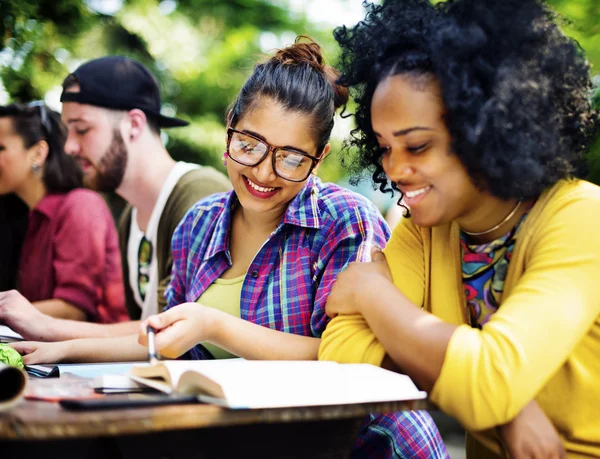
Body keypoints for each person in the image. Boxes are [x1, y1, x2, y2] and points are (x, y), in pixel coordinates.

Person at [13, 38, 449, 458]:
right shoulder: (198, 225)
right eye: (249, 145)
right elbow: (172, 339)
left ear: (319, 157)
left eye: (292, 158)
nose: (263, 172)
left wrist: (215, 325)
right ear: (229, 128)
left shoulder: (344, 221)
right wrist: (61, 348)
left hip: (368, 446)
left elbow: (349, 359)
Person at [318, 0, 600, 458]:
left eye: (418, 145)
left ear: (485, 128)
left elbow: (485, 381)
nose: (395, 169)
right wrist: (507, 400)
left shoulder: (581, 217)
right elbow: (342, 351)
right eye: (385, 148)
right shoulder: (426, 229)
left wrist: (369, 290)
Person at [0, 56, 231, 340]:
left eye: (82, 129)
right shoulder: (130, 219)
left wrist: (46, 328)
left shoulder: (199, 194)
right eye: (67, 131)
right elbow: (144, 330)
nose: (69, 146)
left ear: (134, 124)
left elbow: (176, 331)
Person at [0, 103, 128, 323]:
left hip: (103, 355)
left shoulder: (81, 206)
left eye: (0, 148)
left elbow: (73, 308)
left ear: (38, 153)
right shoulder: (32, 217)